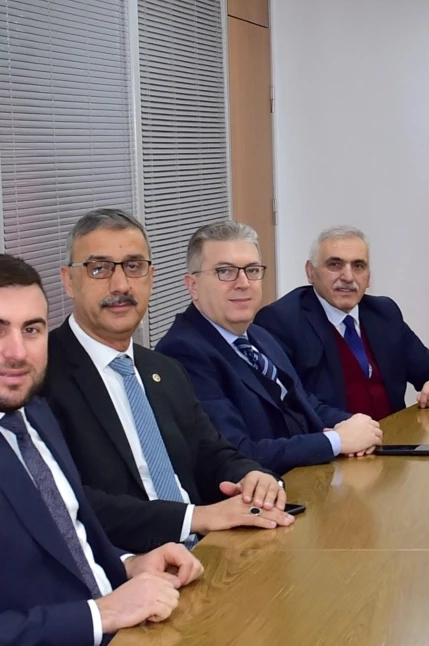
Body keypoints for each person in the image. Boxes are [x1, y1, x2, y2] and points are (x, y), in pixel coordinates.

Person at [0, 254, 203, 646]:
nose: (17, 351)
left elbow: (64, 542)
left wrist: (129, 564)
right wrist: (102, 614)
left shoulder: (35, 416)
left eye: (32, 330)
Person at [41, 209, 291, 554]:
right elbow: (66, 501)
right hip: (125, 566)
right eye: (99, 268)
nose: (121, 285)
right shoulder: (42, 375)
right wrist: (193, 518)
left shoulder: (164, 369)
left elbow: (211, 453)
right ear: (69, 281)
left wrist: (252, 476)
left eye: (134, 267)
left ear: (151, 278)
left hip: (208, 553)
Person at [156, 221, 382, 476]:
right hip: (261, 493)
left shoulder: (257, 334)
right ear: (193, 285)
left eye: (252, 270)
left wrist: (357, 426)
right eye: (225, 271)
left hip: (309, 478)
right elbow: (236, 454)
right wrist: (336, 441)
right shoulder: (183, 352)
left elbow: (304, 403)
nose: (243, 283)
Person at [257, 226, 429, 417]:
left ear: (369, 277)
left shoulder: (384, 313)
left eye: (358, 266)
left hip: (397, 436)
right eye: (335, 264)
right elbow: (292, 401)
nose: (348, 277)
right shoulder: (281, 320)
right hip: (335, 439)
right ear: (310, 271)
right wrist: (349, 428)